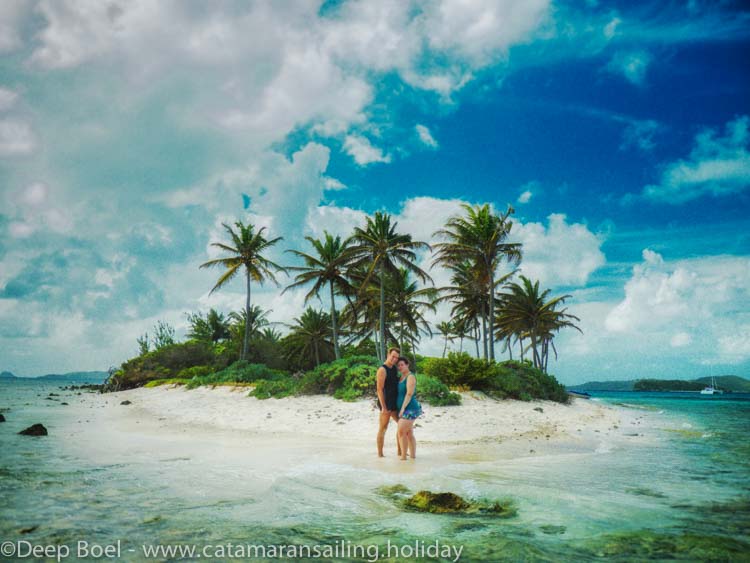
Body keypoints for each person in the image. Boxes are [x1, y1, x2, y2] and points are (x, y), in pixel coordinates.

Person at [376, 347, 402, 457]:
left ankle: (400, 452)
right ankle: (380, 454)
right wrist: (383, 407)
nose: (395, 359)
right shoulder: (382, 369)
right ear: (388, 355)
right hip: (386, 403)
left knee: (401, 425)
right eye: (393, 356)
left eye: (396, 357)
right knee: (383, 428)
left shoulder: (394, 368)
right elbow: (379, 389)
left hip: (394, 402)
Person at [396, 356, 422, 461]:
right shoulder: (401, 377)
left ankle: (403, 458)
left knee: (401, 431)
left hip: (410, 408)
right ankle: (412, 457)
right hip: (406, 408)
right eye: (398, 365)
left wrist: (402, 409)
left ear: (407, 365)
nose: (400, 367)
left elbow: (409, 393)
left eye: (402, 364)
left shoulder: (410, 376)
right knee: (409, 433)